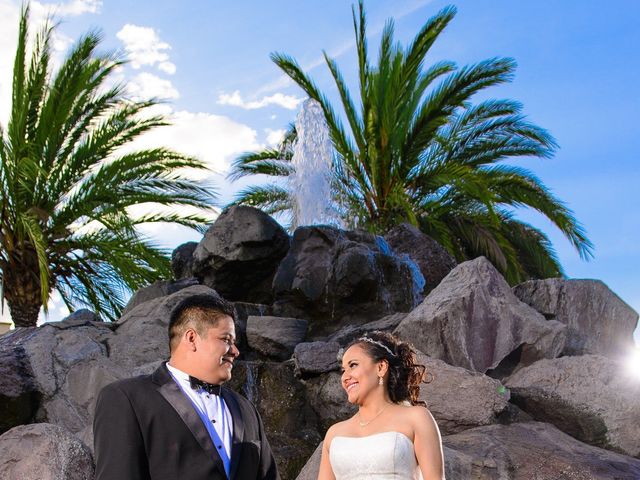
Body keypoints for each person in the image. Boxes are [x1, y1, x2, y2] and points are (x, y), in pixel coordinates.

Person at [93, 293, 280, 480]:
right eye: (226, 340)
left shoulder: (246, 409)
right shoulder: (126, 398)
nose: (236, 351)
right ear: (191, 338)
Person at [318, 331, 444, 480]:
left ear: (381, 367)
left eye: (353, 365)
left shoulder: (416, 418)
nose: (345, 377)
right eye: (343, 370)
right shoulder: (334, 433)